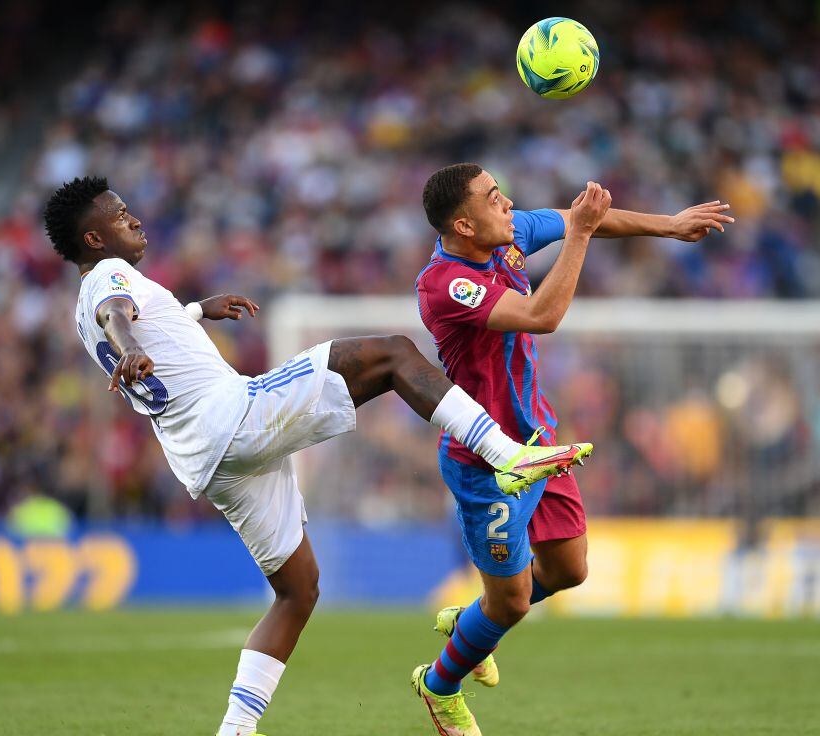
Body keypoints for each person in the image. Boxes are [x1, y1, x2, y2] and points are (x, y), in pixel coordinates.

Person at [42, 176, 596, 736]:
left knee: (297, 592)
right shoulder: (113, 281)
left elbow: (127, 318)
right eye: (119, 216)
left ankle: (235, 730)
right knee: (392, 355)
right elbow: (120, 314)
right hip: (231, 416)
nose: (134, 219)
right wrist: (133, 349)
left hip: (203, 459)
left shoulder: (83, 303)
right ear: (93, 239)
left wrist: (196, 311)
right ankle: (504, 452)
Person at [411, 163, 734, 735]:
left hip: (539, 439)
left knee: (569, 569)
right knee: (509, 605)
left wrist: (669, 225)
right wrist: (580, 234)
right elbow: (542, 316)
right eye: (493, 198)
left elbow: (581, 219)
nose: (507, 203)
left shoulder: (508, 236)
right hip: (488, 461)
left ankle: (469, 626)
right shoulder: (446, 284)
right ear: (463, 224)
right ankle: (438, 685)